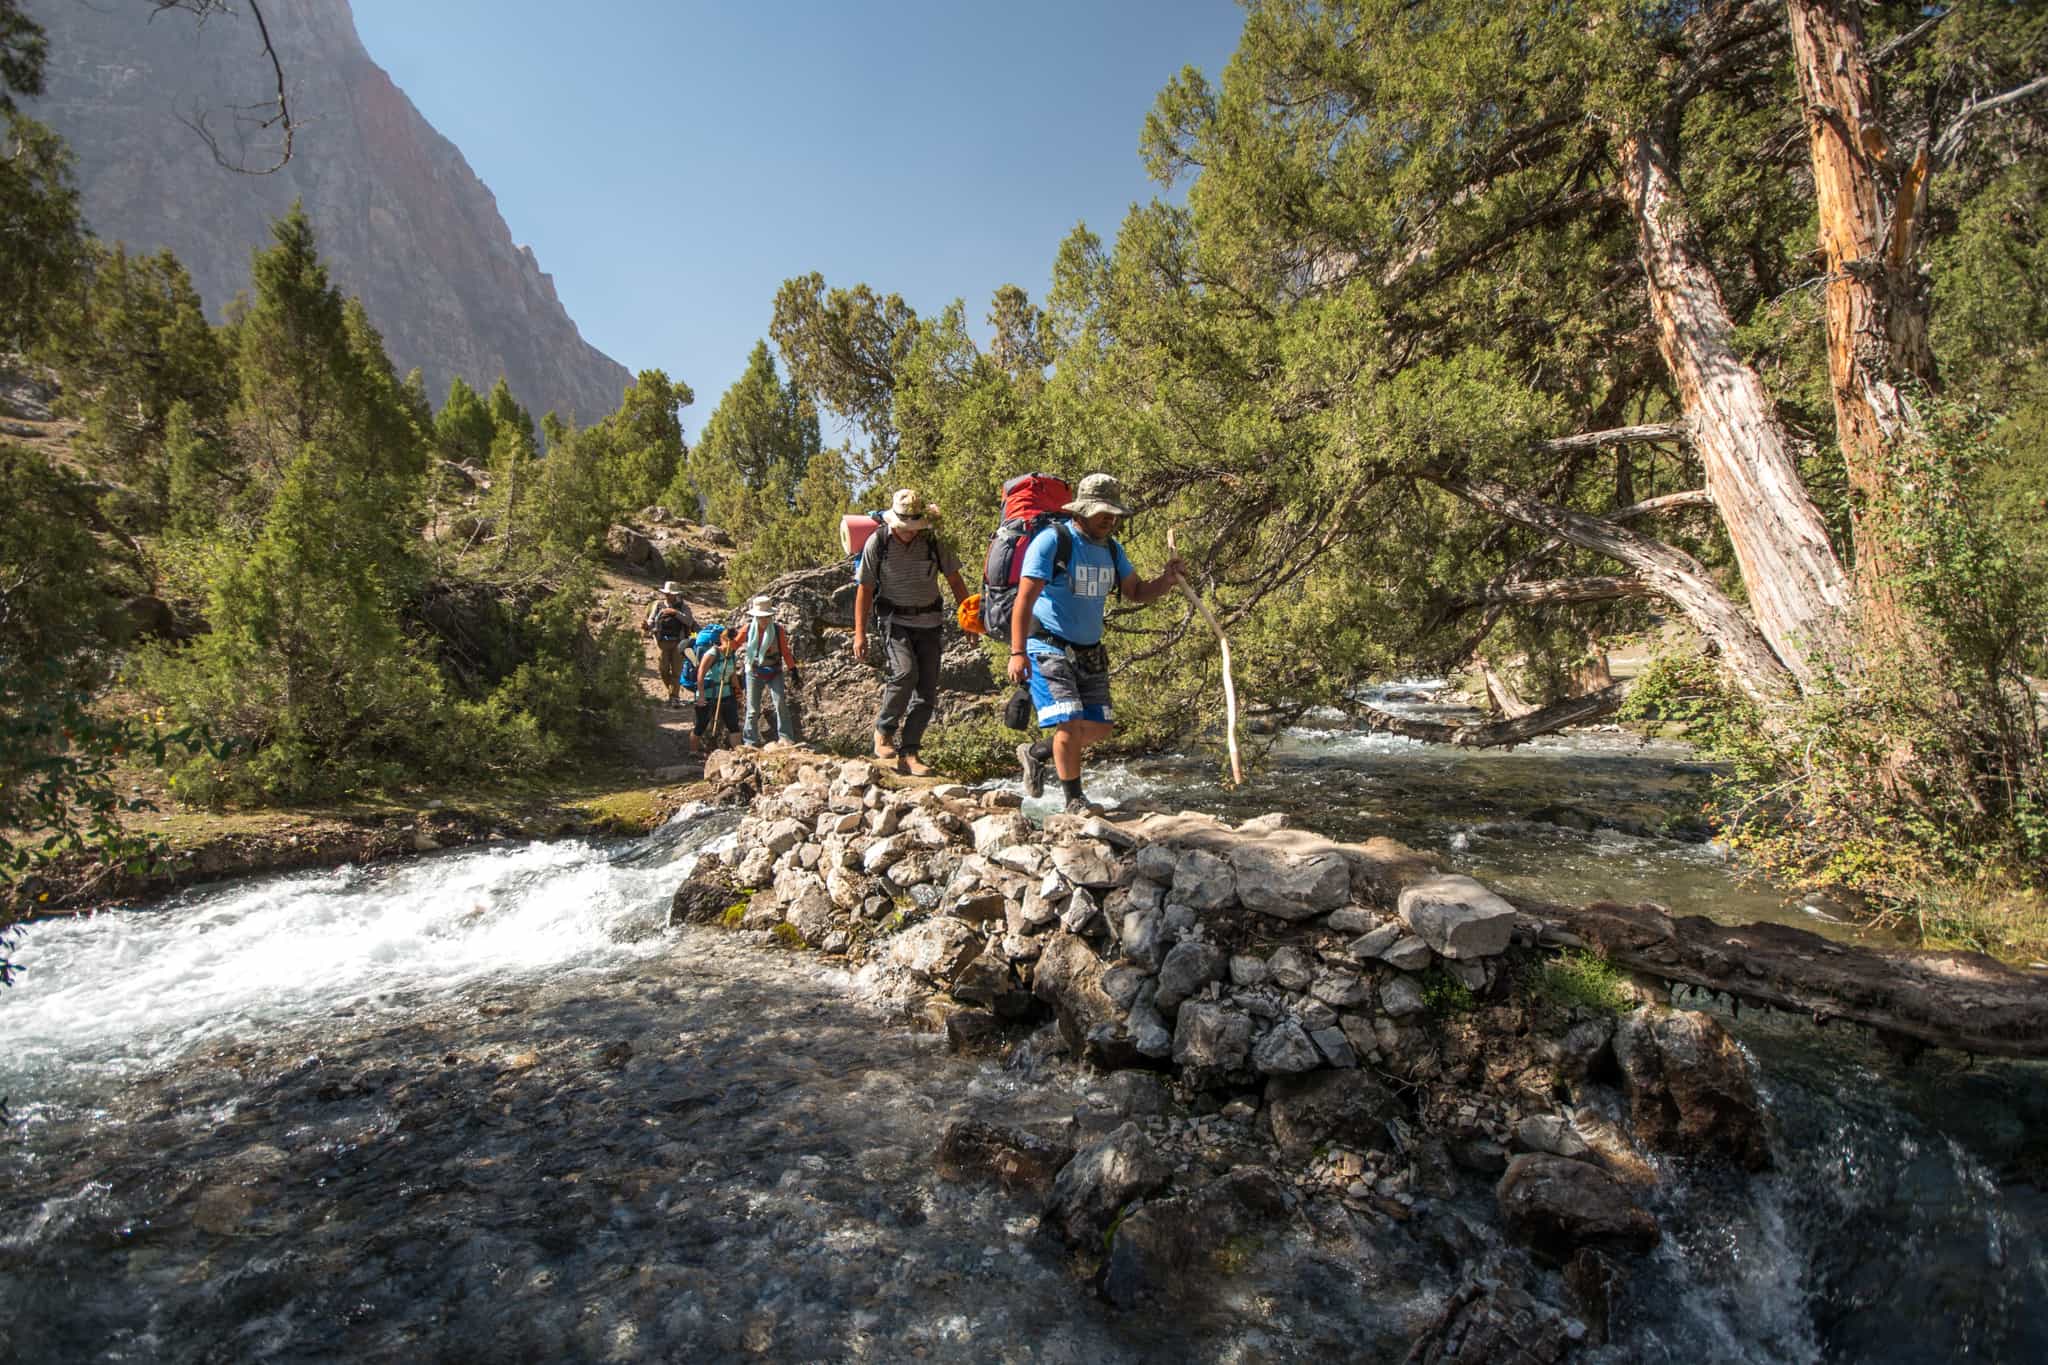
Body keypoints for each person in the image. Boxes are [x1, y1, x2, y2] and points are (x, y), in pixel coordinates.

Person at [1007, 473, 1184, 814]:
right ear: (1082, 510)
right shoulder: (1052, 542)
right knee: (1070, 722)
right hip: (1047, 644)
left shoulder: (1112, 550)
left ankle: (1037, 752)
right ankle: (1075, 801)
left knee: (1101, 726)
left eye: (1114, 513)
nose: (1109, 518)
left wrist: (1167, 580)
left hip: (1089, 650)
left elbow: (1136, 592)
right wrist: (1017, 652)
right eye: (1102, 511)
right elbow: (1024, 602)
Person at [852, 488, 970, 776]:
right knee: (905, 673)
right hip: (895, 621)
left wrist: (970, 620)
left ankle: (910, 753)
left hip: (930, 621)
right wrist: (859, 633)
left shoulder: (933, 541)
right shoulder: (877, 542)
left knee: (927, 691)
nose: (909, 532)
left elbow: (955, 580)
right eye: (904, 527)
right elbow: (865, 589)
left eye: (913, 527)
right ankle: (884, 732)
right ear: (894, 522)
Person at [733, 595, 803, 747]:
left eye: (766, 617)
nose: (764, 620)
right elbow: (733, 646)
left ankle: (785, 738)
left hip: (774, 670)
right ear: (755, 617)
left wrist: (793, 670)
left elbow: (785, 652)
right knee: (752, 709)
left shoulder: (778, 631)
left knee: (780, 704)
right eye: (760, 617)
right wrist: (728, 638)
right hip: (753, 670)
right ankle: (750, 741)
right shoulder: (747, 629)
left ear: (771, 616)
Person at [642, 582, 695, 708]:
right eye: (667, 594)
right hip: (662, 642)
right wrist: (647, 626)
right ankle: (672, 693)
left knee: (676, 671)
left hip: (678, 642)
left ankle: (674, 697)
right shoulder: (659, 605)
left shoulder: (683, 607)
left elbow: (689, 621)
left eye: (670, 594)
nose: (668, 596)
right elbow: (652, 619)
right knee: (663, 669)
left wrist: (675, 613)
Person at [691, 627, 741, 752]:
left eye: (734, 641)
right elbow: (700, 674)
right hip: (708, 694)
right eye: (729, 641)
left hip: (727, 694)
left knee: (733, 725)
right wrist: (701, 696)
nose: (732, 644)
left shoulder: (731, 655)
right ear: (722, 639)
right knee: (701, 725)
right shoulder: (712, 653)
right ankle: (693, 752)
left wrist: (738, 691)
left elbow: (733, 675)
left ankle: (739, 753)